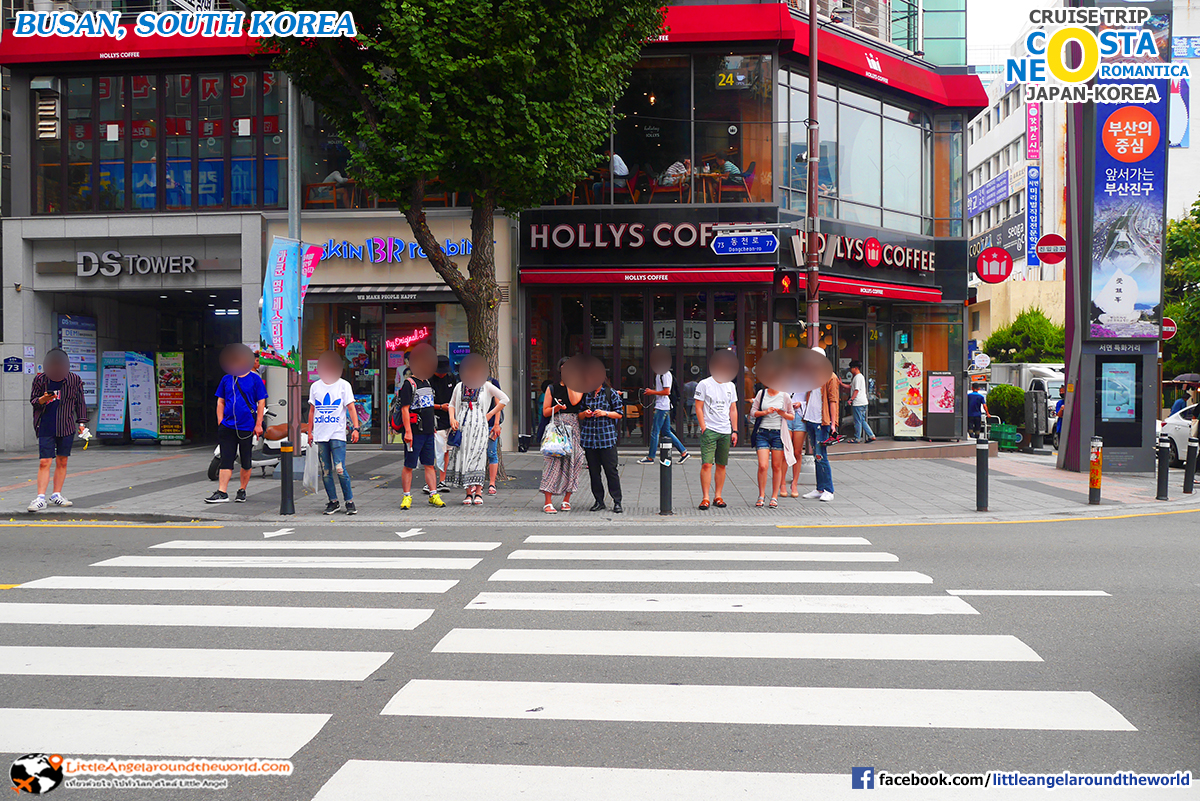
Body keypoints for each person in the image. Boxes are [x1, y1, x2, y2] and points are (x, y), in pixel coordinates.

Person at [27, 348, 89, 512]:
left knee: (62, 461)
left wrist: (82, 423)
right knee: (45, 461)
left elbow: (80, 403)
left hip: (66, 425)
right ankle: (40, 498)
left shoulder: (74, 379)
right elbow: (33, 401)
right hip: (45, 425)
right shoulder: (40, 379)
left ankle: (56, 494)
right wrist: (43, 399)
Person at [206, 343, 267, 504]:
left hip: (247, 426)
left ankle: (242, 490)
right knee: (226, 459)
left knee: (246, 460)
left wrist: (258, 424)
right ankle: (222, 492)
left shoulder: (255, 379)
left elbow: (261, 402)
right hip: (227, 426)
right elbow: (220, 401)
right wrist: (220, 420)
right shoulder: (227, 379)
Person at [446, 354, 509, 505]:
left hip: (480, 427)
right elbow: (452, 404)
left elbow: (504, 399)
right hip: (463, 427)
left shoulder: (486, 386)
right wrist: (452, 418)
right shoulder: (459, 386)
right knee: (464, 457)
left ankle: (479, 492)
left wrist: (491, 414)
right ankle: (468, 493)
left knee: (479, 457)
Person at [304, 350, 360, 515]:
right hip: (320, 434)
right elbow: (312, 411)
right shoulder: (315, 386)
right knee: (326, 471)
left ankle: (349, 501)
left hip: (337, 434)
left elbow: (351, 408)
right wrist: (310, 432)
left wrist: (356, 428)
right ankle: (333, 501)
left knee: (340, 468)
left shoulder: (344, 385)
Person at [398, 342, 446, 509]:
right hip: (414, 431)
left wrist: (433, 426)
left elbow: (429, 407)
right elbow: (405, 409)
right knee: (409, 465)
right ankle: (406, 496)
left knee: (429, 464)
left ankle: (433, 494)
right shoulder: (409, 384)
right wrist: (408, 432)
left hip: (428, 431)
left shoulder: (427, 383)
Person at [540, 357, 587, 513]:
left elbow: (574, 402)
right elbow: (545, 411)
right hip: (557, 427)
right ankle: (548, 501)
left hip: (573, 427)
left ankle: (566, 500)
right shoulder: (552, 388)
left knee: (575, 460)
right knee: (552, 462)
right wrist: (557, 408)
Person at [694, 353, 739, 510]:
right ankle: (705, 497)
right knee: (707, 464)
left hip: (725, 430)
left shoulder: (730, 385)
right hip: (710, 430)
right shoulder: (704, 384)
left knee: (721, 465)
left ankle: (718, 496)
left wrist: (735, 430)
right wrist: (703, 427)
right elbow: (698, 407)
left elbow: (733, 409)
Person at [637, 345, 689, 465]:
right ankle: (684, 452)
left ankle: (651, 457)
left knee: (654, 432)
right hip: (663, 406)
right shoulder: (660, 374)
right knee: (666, 432)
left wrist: (652, 392)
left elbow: (666, 391)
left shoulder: (664, 374)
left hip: (662, 407)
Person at [580, 370, 624, 513]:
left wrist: (605, 413)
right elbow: (579, 414)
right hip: (589, 439)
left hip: (606, 439)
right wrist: (585, 414)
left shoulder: (610, 393)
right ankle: (599, 501)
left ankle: (617, 501)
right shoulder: (585, 394)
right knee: (594, 473)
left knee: (611, 471)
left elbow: (619, 413)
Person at [802, 347, 839, 502]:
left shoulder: (831, 377)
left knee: (821, 455)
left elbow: (833, 400)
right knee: (816, 456)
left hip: (822, 421)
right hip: (811, 419)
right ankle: (820, 488)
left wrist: (833, 423)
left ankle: (829, 490)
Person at [750, 385, 794, 507]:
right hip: (762, 432)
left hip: (778, 433)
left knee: (776, 466)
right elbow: (753, 412)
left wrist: (782, 413)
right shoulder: (761, 393)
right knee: (763, 465)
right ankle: (761, 495)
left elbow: (792, 416)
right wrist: (765, 412)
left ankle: (774, 496)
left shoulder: (785, 396)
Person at [427, 354, 456, 495]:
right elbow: (424, 403)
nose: (442, 373)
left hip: (449, 419)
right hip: (435, 419)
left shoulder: (451, 378)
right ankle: (430, 482)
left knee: (446, 451)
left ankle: (442, 480)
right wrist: (440, 406)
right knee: (435, 451)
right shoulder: (428, 380)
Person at [485, 375, 505, 495]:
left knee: (492, 453)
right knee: (477, 454)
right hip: (477, 423)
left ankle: (492, 482)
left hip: (491, 424)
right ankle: (476, 483)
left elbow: (499, 403)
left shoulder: (491, 382)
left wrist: (496, 424)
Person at [847, 360, 875, 443]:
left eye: (851, 368)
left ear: (856, 368)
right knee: (862, 420)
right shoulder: (859, 377)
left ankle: (857, 438)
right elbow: (850, 386)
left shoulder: (858, 377)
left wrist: (851, 399)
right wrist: (841, 383)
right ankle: (871, 435)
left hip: (858, 403)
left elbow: (856, 390)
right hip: (863, 402)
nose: (850, 370)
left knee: (857, 421)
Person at [786, 389, 807, 498]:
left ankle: (794, 483)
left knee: (797, 452)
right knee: (786, 450)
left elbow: (813, 401)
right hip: (786, 415)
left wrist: (801, 404)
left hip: (800, 416)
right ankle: (782, 483)